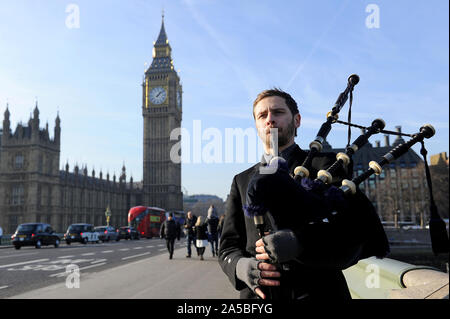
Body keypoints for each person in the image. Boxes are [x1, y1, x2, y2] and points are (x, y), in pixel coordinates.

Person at [218, 88, 389, 300]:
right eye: (262, 115)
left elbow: (354, 234)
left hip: (319, 293)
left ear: (297, 120)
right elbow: (228, 246)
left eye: (278, 112)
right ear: (256, 125)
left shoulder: (329, 165)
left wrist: (299, 243)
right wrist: (240, 266)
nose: (270, 119)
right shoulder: (241, 180)